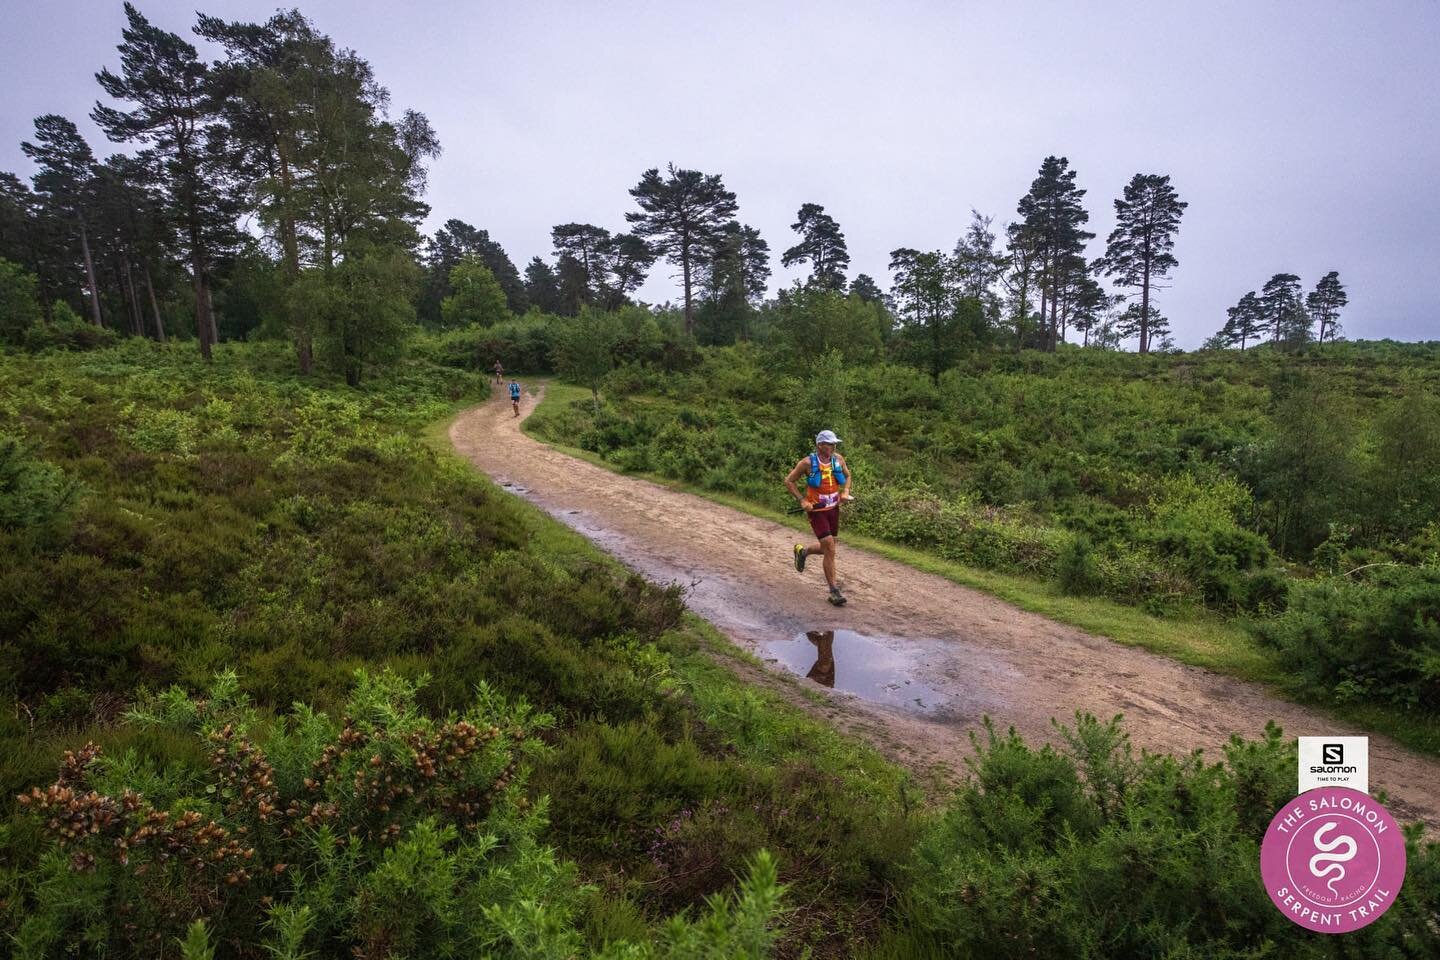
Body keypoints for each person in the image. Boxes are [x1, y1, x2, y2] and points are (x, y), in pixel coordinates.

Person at [784, 429, 854, 606]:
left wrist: (845, 492)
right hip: (816, 511)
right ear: (820, 445)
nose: (833, 446)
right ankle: (834, 591)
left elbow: (847, 475)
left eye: (834, 444)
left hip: (833, 508)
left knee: (828, 549)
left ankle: (803, 552)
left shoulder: (838, 459)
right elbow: (789, 481)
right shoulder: (807, 463)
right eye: (830, 443)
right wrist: (802, 500)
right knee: (829, 547)